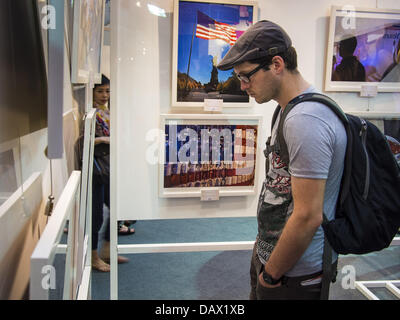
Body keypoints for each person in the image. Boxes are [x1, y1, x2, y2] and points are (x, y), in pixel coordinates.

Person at [217, 20, 347, 300]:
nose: (242, 86)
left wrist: (271, 274)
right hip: (277, 260)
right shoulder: (289, 110)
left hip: (295, 273)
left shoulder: (306, 119)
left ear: (276, 64)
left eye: (246, 76)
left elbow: (307, 216)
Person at [91, 74, 133, 272]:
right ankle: (93, 257)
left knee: (119, 207)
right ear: (92, 92)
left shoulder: (108, 112)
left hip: (110, 167)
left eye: (107, 91)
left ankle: (107, 250)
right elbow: (83, 143)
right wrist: (102, 141)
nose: (104, 95)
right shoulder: (91, 114)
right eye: (100, 91)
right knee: (96, 216)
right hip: (96, 170)